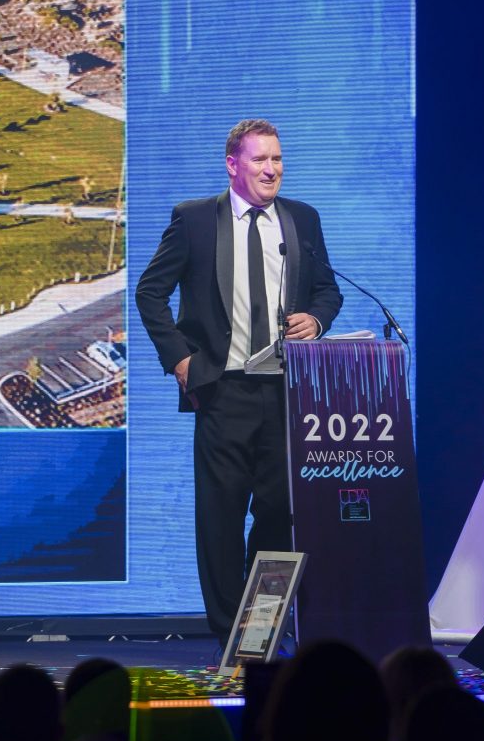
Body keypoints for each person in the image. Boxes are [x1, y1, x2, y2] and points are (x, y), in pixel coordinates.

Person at [136, 119, 342, 643]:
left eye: (277, 158)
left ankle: (263, 627)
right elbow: (150, 292)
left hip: (286, 392)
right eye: (259, 159)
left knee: (280, 513)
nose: (271, 169)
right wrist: (180, 360)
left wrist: (316, 320)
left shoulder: (301, 219)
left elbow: (327, 290)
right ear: (233, 165)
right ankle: (232, 636)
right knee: (221, 518)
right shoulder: (194, 219)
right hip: (222, 391)